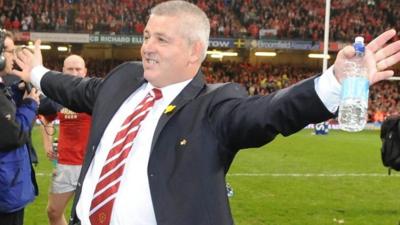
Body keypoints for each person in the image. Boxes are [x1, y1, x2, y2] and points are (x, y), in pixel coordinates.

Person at [13, 1, 400, 225]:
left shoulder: (215, 105)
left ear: (194, 52)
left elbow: (271, 112)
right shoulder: (125, 78)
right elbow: (76, 89)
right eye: (147, 35)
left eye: (162, 39)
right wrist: (36, 72)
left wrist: (335, 80)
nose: (147, 46)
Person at [38, 55, 91, 225]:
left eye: (78, 69)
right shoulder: (56, 97)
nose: (74, 73)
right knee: (53, 212)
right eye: (70, 69)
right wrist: (47, 143)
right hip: (65, 165)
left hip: (91, 166)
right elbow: (44, 118)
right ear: (63, 71)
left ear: (85, 72)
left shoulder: (96, 96)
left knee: (91, 216)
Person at [0, 29, 40, 225]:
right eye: (8, 50)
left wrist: (17, 91)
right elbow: (14, 135)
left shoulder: (3, 89)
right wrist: (31, 104)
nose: (12, 55)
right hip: (6, 189)